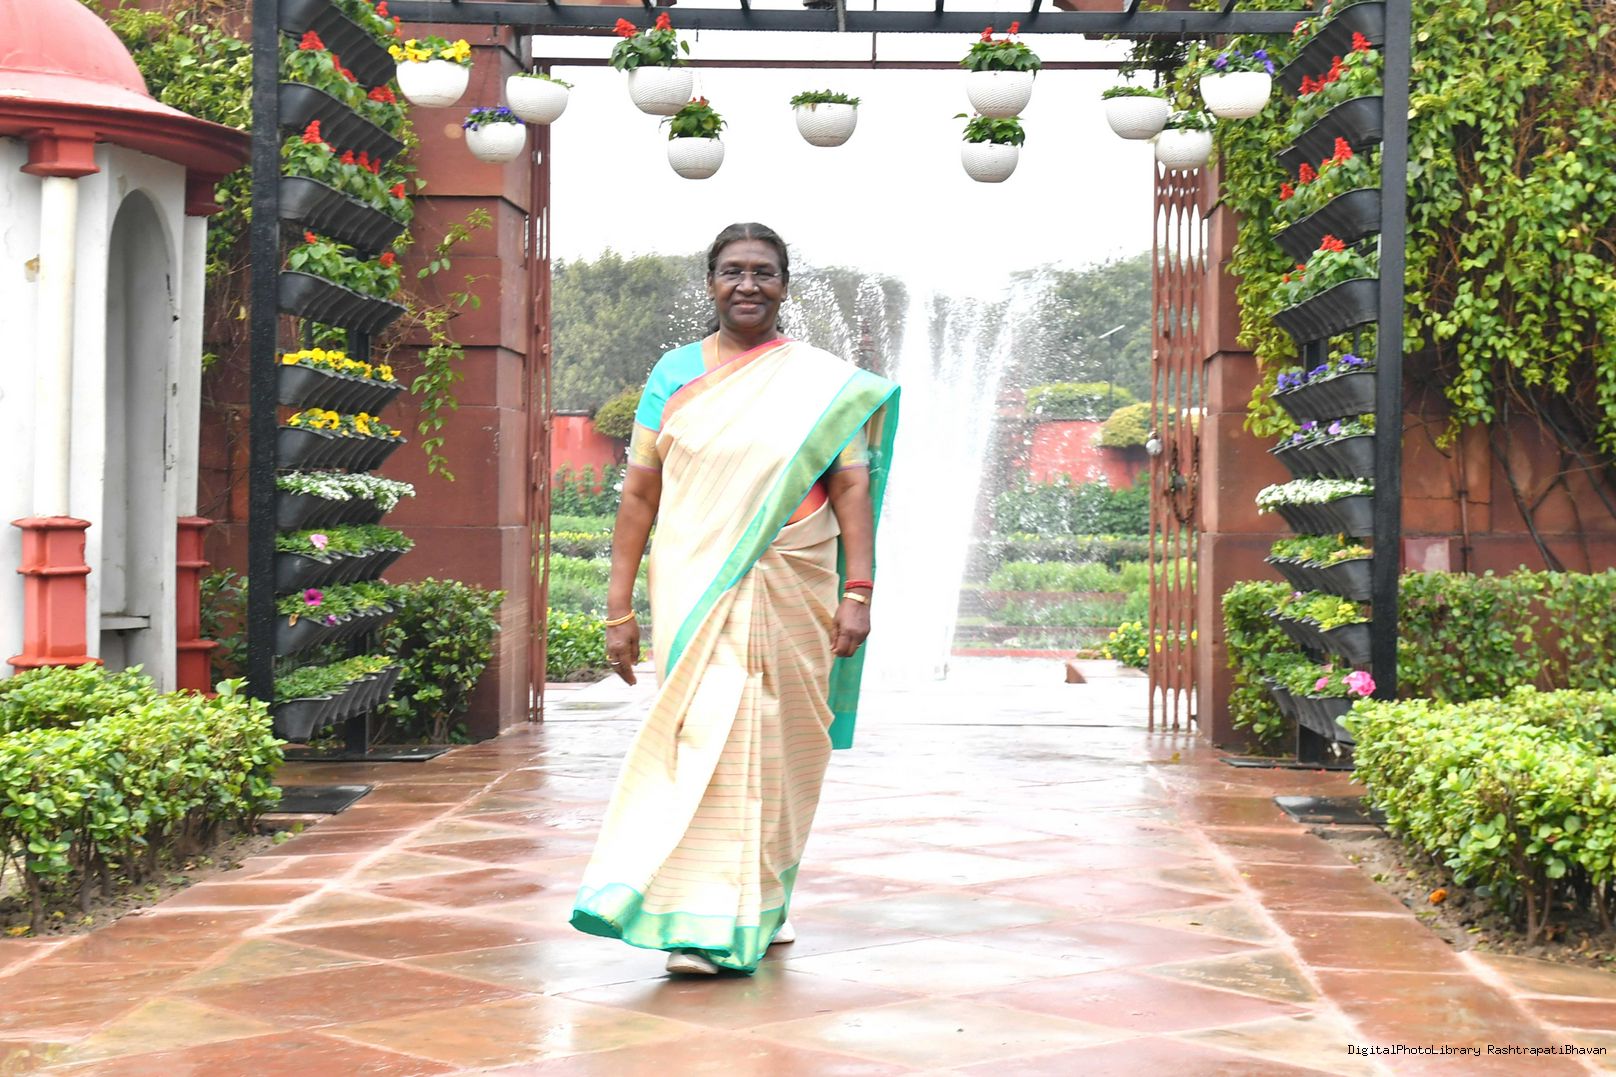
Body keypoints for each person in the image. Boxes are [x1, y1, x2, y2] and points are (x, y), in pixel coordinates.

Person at [569, 222, 900, 976]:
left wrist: (859, 590)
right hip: (696, 584)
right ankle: (699, 922)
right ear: (711, 282)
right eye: (732, 271)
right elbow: (640, 494)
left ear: (784, 285)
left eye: (763, 271)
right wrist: (618, 609)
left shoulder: (821, 381)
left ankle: (764, 899)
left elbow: (851, 487)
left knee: (782, 747)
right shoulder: (674, 374)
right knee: (704, 740)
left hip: (796, 580)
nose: (747, 284)